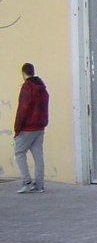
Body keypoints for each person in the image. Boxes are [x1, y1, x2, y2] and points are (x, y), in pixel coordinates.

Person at [14, 62, 49, 194]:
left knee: (19, 152)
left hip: (28, 127)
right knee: (38, 155)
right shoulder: (42, 88)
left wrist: (17, 129)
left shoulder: (27, 87)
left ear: (23, 73)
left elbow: (22, 109)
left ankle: (27, 182)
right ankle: (40, 185)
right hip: (40, 127)